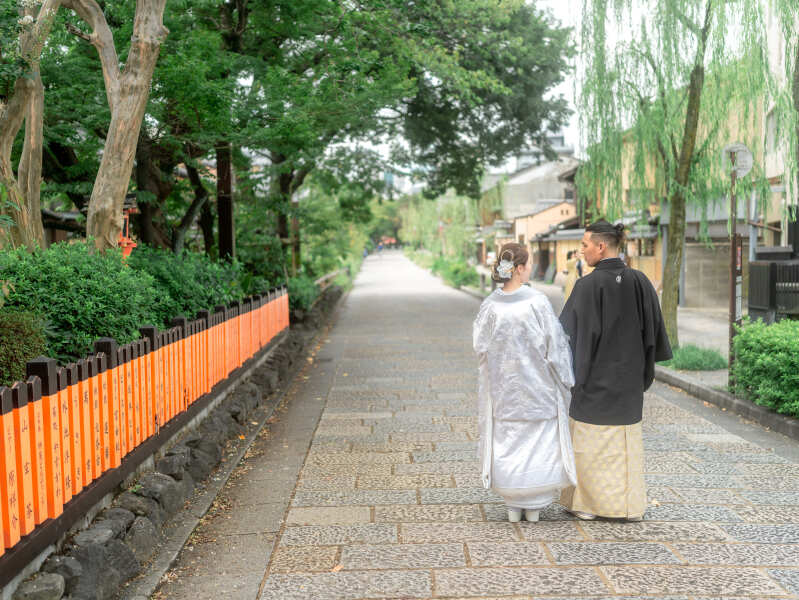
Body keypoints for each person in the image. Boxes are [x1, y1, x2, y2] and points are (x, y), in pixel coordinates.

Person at [558, 220, 672, 521]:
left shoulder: (586, 286)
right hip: (629, 382)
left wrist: (573, 375)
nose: (581, 251)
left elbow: (568, 336)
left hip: (593, 381)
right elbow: (654, 333)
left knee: (589, 447)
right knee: (624, 450)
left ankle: (586, 505)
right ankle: (628, 507)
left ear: (601, 246)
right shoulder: (641, 282)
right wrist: (641, 372)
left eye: (584, 245)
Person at [473, 242, 577, 523]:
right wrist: (566, 380)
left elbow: (480, 348)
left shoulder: (490, 306)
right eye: (528, 263)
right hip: (537, 389)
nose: (531, 268)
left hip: (504, 391)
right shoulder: (536, 302)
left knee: (509, 442)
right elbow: (554, 347)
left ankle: (512, 505)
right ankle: (533, 507)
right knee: (536, 443)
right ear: (519, 269)